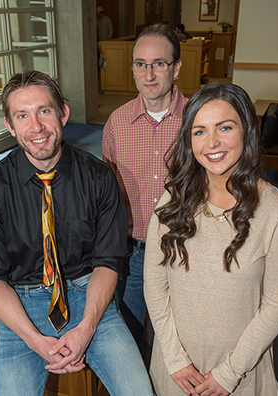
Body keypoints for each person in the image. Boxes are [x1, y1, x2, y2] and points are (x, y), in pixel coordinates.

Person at [0, 70, 153, 396]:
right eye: (22, 116)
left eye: (44, 111)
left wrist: (87, 327)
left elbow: (108, 261)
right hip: (20, 305)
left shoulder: (99, 178)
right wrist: (32, 338)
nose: (35, 127)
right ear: (10, 126)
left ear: (63, 113)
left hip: (90, 297)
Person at [144, 82, 278, 396]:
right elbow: (155, 287)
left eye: (224, 128)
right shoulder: (171, 202)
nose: (212, 143)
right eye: (199, 131)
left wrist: (229, 374)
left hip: (241, 374)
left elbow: (277, 305)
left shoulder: (276, 211)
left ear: (247, 130)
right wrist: (174, 357)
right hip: (176, 372)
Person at [102, 23, 187, 357]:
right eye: (140, 63)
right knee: (132, 340)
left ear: (176, 67)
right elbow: (106, 197)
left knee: (182, 341)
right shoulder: (116, 124)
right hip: (134, 252)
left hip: (185, 250)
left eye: (159, 63)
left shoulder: (198, 121)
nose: (149, 74)